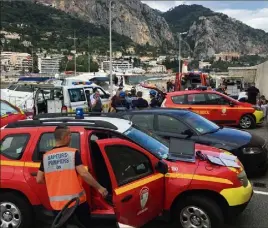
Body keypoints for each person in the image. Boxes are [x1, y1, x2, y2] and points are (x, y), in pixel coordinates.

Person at [36, 125, 108, 228]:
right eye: (70, 135)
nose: (70, 137)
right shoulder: (72, 153)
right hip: (77, 203)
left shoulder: (46, 156)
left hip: (58, 205)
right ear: (65, 137)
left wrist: (55, 181)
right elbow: (83, 173)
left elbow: (39, 179)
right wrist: (100, 188)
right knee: (85, 225)